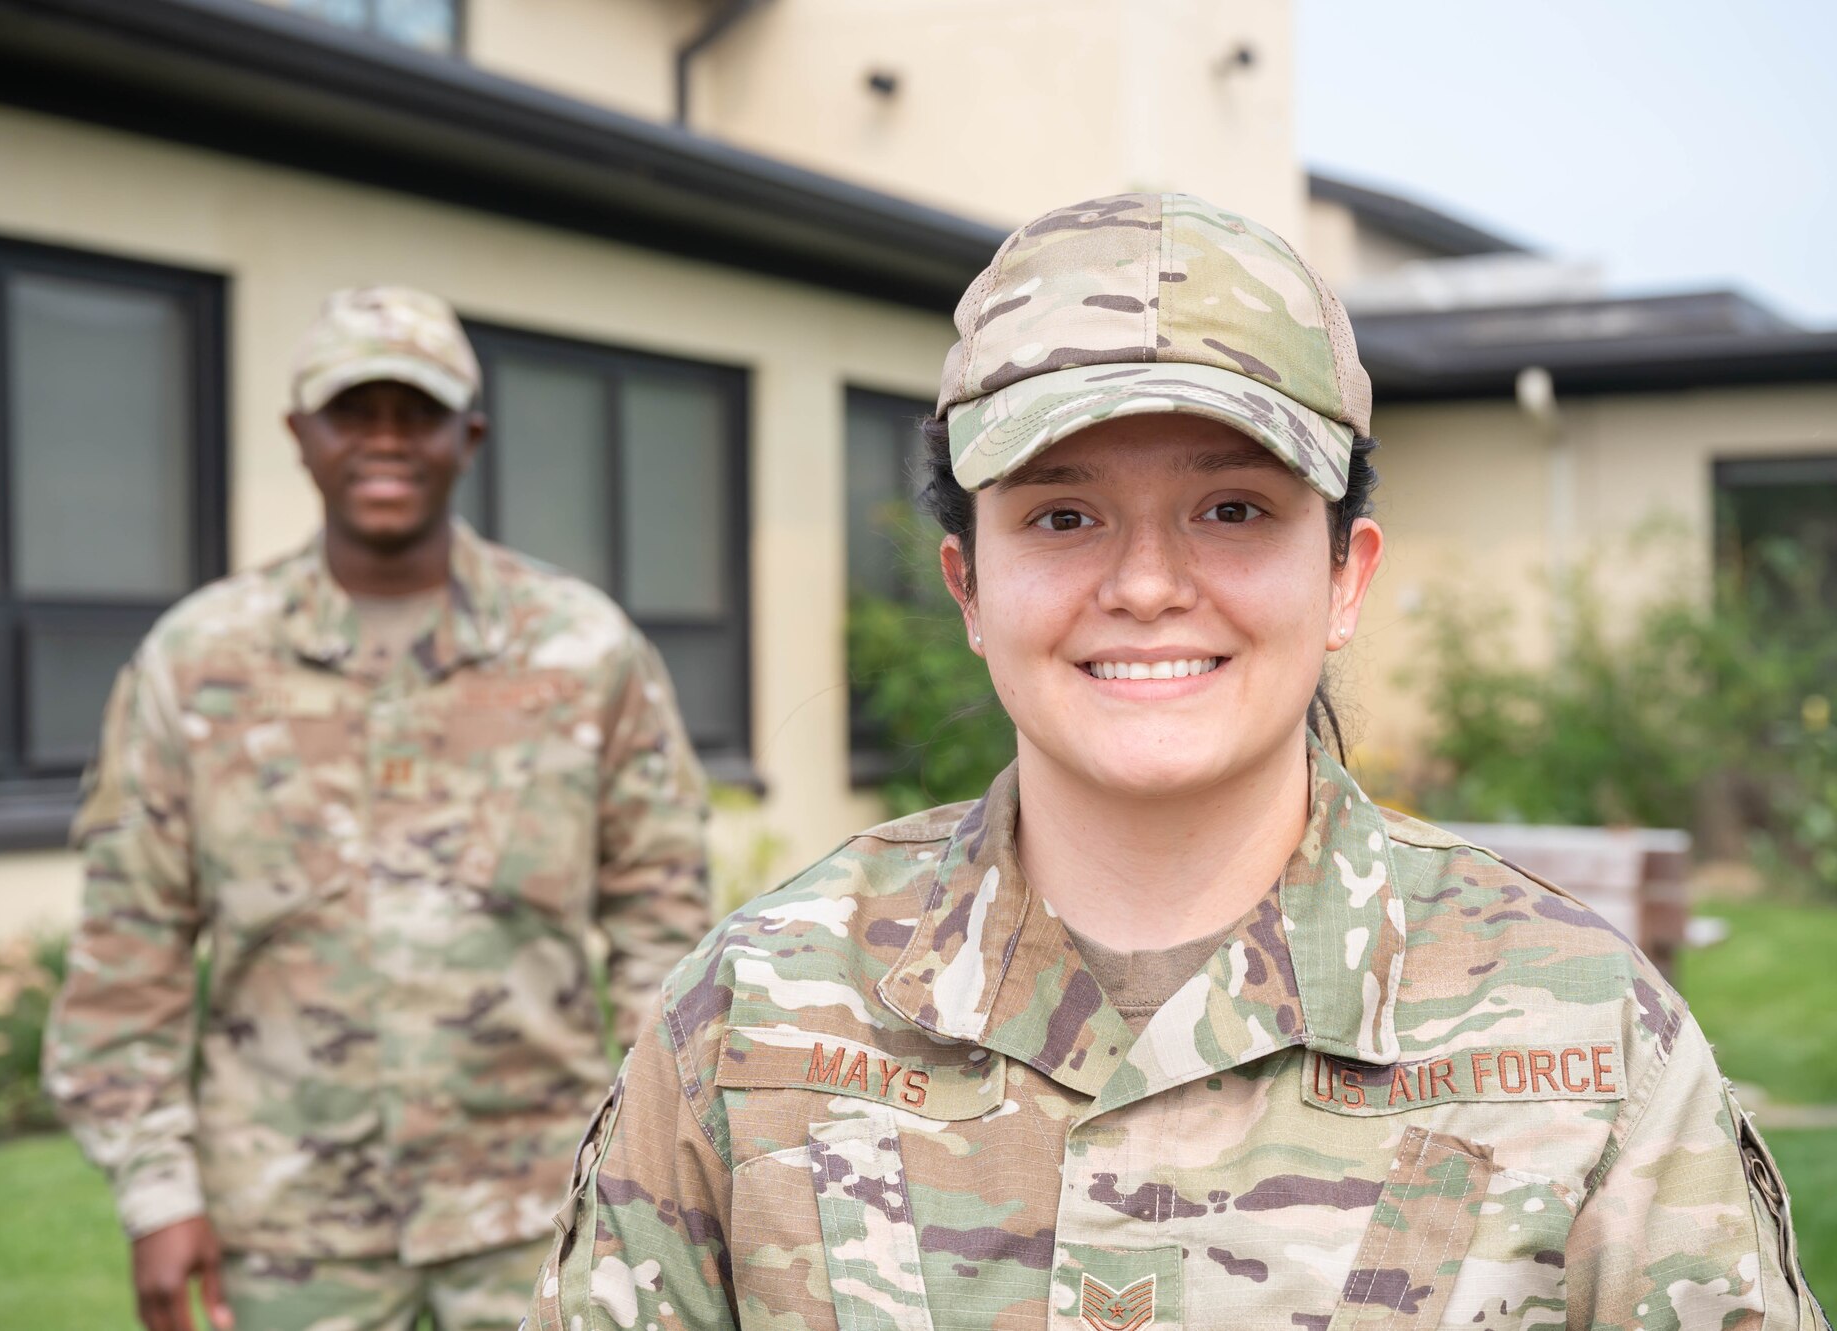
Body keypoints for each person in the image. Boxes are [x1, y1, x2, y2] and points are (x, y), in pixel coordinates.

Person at [527, 195, 1825, 1330]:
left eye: (1233, 507)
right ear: (969, 583)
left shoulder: (1586, 1040)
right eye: (1065, 512)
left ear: (1344, 576)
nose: (1147, 584)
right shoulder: (753, 1023)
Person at [45, 286, 711, 1331]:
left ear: (470, 435)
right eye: (354, 413)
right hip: (287, 1223)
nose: (386, 441)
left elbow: (663, 930)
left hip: (538, 1208)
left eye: (419, 413)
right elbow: (131, 948)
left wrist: (646, 1169)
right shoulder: (197, 662)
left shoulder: (585, 651)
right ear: (299, 437)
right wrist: (156, 1192)